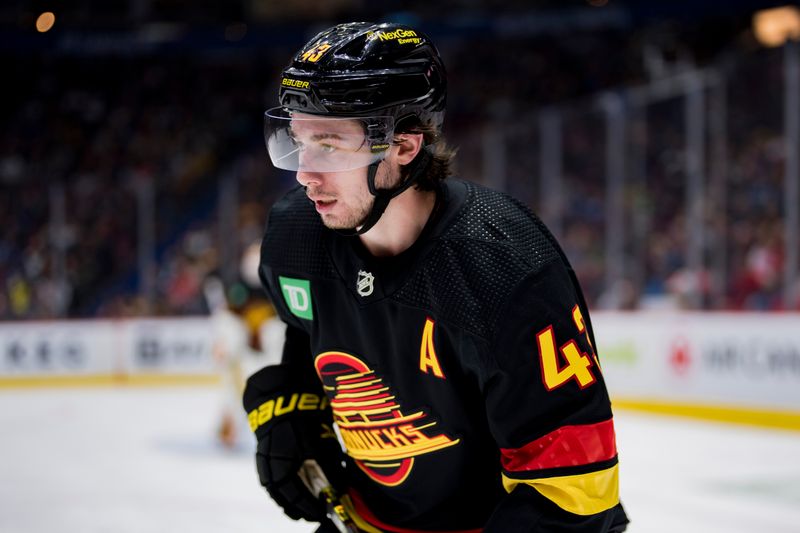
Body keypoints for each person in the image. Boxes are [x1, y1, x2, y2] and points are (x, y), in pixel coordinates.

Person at [243, 21, 629, 532]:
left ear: (404, 147)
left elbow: (572, 491)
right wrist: (289, 408)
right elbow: (303, 330)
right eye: (297, 141)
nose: (304, 173)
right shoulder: (296, 237)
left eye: (330, 146)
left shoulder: (506, 269)